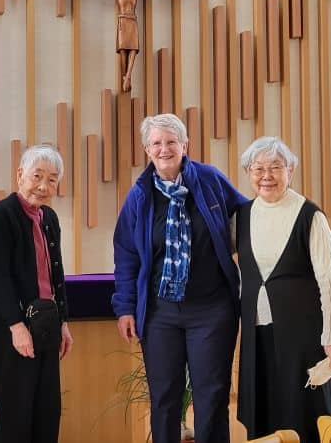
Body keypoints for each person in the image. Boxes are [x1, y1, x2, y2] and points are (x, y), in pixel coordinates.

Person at [112, 113, 246, 443]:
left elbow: (247, 218)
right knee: (164, 399)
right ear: (147, 149)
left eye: (171, 141)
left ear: (185, 145)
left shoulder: (210, 180)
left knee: (212, 396)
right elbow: (126, 254)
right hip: (160, 313)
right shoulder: (140, 196)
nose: (164, 148)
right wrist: (125, 308)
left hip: (212, 310)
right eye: (156, 143)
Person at [235, 137, 331, 443]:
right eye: (258, 168)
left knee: (303, 413)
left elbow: (330, 278)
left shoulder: (310, 215)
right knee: (264, 411)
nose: (266, 175)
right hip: (258, 330)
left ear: (291, 170)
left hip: (304, 332)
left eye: (275, 167)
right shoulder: (242, 215)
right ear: (248, 172)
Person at [0, 145, 74, 443]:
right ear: (20, 175)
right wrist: (16, 327)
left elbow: (55, 275)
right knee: (15, 412)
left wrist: (63, 323)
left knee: (47, 409)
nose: (44, 186)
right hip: (11, 329)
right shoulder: (1, 215)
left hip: (46, 325)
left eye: (53, 179)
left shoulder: (49, 217)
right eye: (37, 176)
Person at [67, 0, 183, 92]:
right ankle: (125, 76)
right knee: (122, 50)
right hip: (123, 21)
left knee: (133, 49)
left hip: (132, 21)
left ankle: (127, 77)